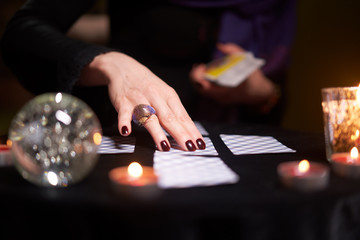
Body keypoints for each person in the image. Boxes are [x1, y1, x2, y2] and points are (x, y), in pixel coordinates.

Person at [1, 0, 296, 151]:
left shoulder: (274, 7)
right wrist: (111, 63)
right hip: (131, 146)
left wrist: (264, 95)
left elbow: (276, 101)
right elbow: (20, 33)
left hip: (243, 157)